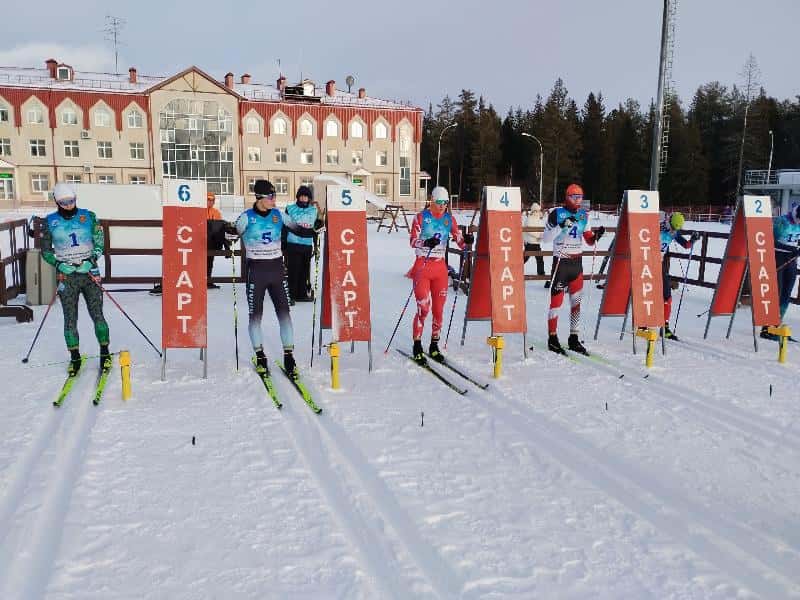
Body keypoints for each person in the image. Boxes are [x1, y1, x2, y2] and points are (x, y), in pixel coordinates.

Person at [234, 179, 315, 377]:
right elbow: (231, 233)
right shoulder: (247, 217)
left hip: (278, 271)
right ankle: (260, 356)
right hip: (257, 272)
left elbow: (298, 229)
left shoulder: (279, 215)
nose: (274, 200)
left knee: (285, 313)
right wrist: (227, 234)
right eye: (271, 196)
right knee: (255, 316)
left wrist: (315, 228)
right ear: (259, 198)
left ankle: (289, 356)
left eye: (275, 196)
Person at [41, 183, 110, 374]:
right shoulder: (49, 221)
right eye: (64, 202)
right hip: (67, 276)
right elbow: (45, 251)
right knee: (70, 318)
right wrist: (57, 264)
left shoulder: (89, 216)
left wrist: (92, 258)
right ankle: (75, 357)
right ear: (57, 201)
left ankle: (105, 353)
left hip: (89, 273)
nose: (68, 205)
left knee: (97, 314)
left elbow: (99, 242)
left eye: (71, 201)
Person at [408, 186, 473, 365]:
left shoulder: (449, 219)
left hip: (440, 269)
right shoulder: (421, 217)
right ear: (431, 200)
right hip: (422, 266)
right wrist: (425, 241)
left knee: (438, 310)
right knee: (424, 308)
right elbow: (412, 241)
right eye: (439, 202)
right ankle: (417, 344)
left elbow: (459, 241)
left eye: (445, 203)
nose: (442, 206)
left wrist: (466, 240)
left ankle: (434, 345)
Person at [541, 183, 604, 355]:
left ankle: (573, 338)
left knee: (576, 303)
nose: (577, 200)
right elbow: (545, 239)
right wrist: (561, 226)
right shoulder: (556, 213)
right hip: (561, 262)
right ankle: (552, 339)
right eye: (573, 197)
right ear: (566, 197)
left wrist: (596, 236)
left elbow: (589, 239)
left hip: (577, 264)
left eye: (579, 197)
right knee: (556, 304)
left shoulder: (584, 215)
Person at [761, 203, 800, 340]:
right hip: (778, 258)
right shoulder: (782, 221)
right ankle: (767, 328)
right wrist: (792, 250)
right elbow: (770, 242)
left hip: (792, 261)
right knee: (775, 293)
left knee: (787, 293)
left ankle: (777, 325)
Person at [659, 211, 699, 340]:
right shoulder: (657, 227)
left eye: (676, 229)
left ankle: (664, 327)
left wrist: (693, 239)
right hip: (647, 263)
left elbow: (686, 245)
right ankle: (643, 323)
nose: (674, 231)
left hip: (659, 266)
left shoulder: (674, 232)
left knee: (667, 297)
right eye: (674, 228)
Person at [284, 185, 322, 302]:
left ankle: (302, 294)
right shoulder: (290, 208)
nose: (303, 198)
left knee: (304, 271)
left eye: (306, 196)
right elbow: (285, 226)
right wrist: (283, 244)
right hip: (293, 244)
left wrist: (316, 246)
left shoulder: (313, 210)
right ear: (298, 197)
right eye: (301, 196)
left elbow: (316, 229)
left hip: (306, 244)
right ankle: (291, 294)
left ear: (309, 198)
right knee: (293, 270)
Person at [206, 191, 231, 290]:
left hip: (212, 241)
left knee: (210, 262)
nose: (210, 202)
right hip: (201, 241)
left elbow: (220, 227)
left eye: (212, 200)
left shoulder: (216, 212)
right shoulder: (199, 210)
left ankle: (208, 281)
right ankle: (199, 281)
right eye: (208, 199)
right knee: (200, 263)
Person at [523, 202, 546, 283]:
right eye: (537, 210)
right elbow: (529, 230)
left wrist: (540, 237)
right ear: (534, 210)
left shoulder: (538, 219)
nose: (538, 212)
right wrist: (538, 236)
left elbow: (541, 229)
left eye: (538, 210)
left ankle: (541, 274)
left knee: (539, 258)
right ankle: (515, 269)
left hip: (536, 243)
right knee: (525, 258)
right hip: (530, 242)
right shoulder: (530, 218)